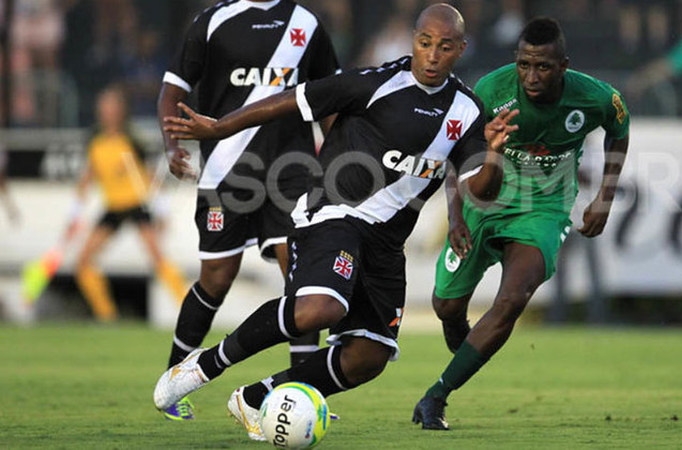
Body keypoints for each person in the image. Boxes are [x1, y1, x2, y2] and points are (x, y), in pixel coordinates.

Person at [154, 3, 518, 441]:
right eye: (425, 43)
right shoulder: (376, 82)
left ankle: (257, 397)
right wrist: (222, 128)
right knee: (322, 306)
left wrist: (494, 152)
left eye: (444, 47)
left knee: (367, 357)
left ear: (460, 49)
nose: (433, 55)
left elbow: (482, 188)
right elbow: (290, 99)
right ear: (413, 41)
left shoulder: (469, 112)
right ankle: (203, 365)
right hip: (333, 211)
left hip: (385, 242)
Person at [412, 17, 630, 430]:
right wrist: (455, 216)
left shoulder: (596, 98)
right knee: (446, 304)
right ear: (516, 60)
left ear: (563, 65)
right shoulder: (491, 91)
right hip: (484, 201)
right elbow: (457, 154)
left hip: (544, 210)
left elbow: (620, 129)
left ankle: (435, 397)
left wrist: (604, 196)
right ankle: (460, 330)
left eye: (543, 67)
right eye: (525, 65)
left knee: (512, 299)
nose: (532, 76)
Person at [156, 0, 340, 420]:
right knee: (217, 278)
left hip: (291, 172)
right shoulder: (213, 21)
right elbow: (173, 88)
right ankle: (173, 378)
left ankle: (300, 395)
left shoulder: (306, 23)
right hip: (226, 171)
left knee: (302, 281)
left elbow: (329, 100)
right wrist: (171, 144)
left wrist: (336, 160)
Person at [72, 85, 187, 322]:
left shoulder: (132, 139)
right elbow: (89, 176)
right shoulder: (94, 141)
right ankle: (107, 316)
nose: (107, 111)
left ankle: (188, 309)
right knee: (82, 262)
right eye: (103, 106)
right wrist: (75, 211)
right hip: (113, 207)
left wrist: (162, 210)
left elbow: (151, 175)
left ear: (120, 110)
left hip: (137, 205)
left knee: (158, 259)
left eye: (111, 106)